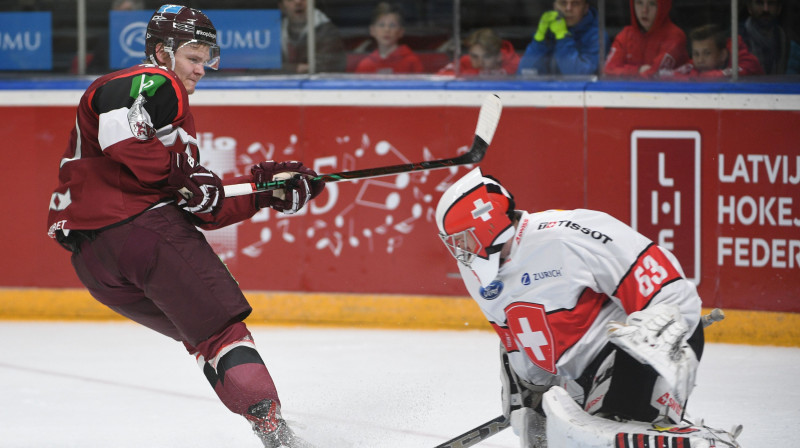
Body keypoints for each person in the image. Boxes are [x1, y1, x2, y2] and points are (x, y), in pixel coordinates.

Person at [46, 5, 323, 447]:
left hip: (96, 266)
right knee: (221, 334)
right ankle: (282, 441)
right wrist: (182, 179)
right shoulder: (155, 81)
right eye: (194, 57)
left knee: (204, 340)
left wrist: (264, 190)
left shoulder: (168, 127)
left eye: (207, 59)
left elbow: (199, 206)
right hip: (143, 232)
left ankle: (276, 436)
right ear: (162, 51)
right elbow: (120, 135)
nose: (201, 69)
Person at [435, 168, 742, 447]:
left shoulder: (567, 234)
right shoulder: (478, 272)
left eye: (463, 239)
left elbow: (664, 283)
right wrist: (531, 396)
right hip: (578, 377)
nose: (459, 251)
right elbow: (514, 338)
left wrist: (666, 326)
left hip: (645, 349)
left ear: (488, 224)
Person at [516, 0, 609, 76]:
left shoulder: (597, 36)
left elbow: (581, 76)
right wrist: (539, 40)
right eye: (563, 3)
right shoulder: (549, 32)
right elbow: (524, 73)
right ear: (555, 7)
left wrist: (563, 38)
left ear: (585, 8)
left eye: (575, 4)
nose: (568, 9)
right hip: (547, 94)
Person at [604, 0, 688, 78]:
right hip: (628, 92)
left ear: (663, 7)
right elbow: (608, 71)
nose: (644, 10)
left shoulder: (674, 36)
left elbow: (653, 76)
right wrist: (638, 70)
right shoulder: (625, 35)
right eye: (639, 3)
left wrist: (625, 72)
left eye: (652, 4)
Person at [668, 24, 764, 79]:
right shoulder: (694, 65)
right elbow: (670, 75)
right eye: (696, 54)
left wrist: (698, 77)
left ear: (723, 55)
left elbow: (743, 72)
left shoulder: (744, 61)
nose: (700, 60)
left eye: (707, 53)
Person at [277, 0, 346, 73]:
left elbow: (326, 68)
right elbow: (267, 68)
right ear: (281, 6)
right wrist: (296, 68)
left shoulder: (327, 31)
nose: (298, 2)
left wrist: (285, 68)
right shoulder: (273, 30)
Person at [354, 2, 423, 74]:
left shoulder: (411, 62)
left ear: (400, 31)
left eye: (392, 25)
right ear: (372, 30)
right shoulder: (365, 65)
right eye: (381, 25)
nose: (387, 30)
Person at [437, 28, 520, 76]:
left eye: (487, 56)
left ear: (499, 56)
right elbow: (440, 77)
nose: (480, 62)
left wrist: (466, 75)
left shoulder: (515, 63)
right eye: (475, 56)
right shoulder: (465, 61)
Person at [739, 0, 789, 74]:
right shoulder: (738, 37)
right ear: (749, 7)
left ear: (779, 8)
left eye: (771, 3)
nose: (765, 9)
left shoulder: (784, 38)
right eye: (760, 3)